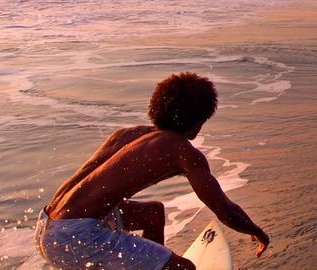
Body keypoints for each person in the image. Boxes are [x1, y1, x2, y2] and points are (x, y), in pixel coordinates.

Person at [34, 72, 269, 269]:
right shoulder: (182, 151)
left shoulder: (128, 135)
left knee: (153, 213)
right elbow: (224, 210)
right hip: (76, 235)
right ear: (199, 122)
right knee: (184, 269)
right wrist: (257, 232)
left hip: (48, 225)